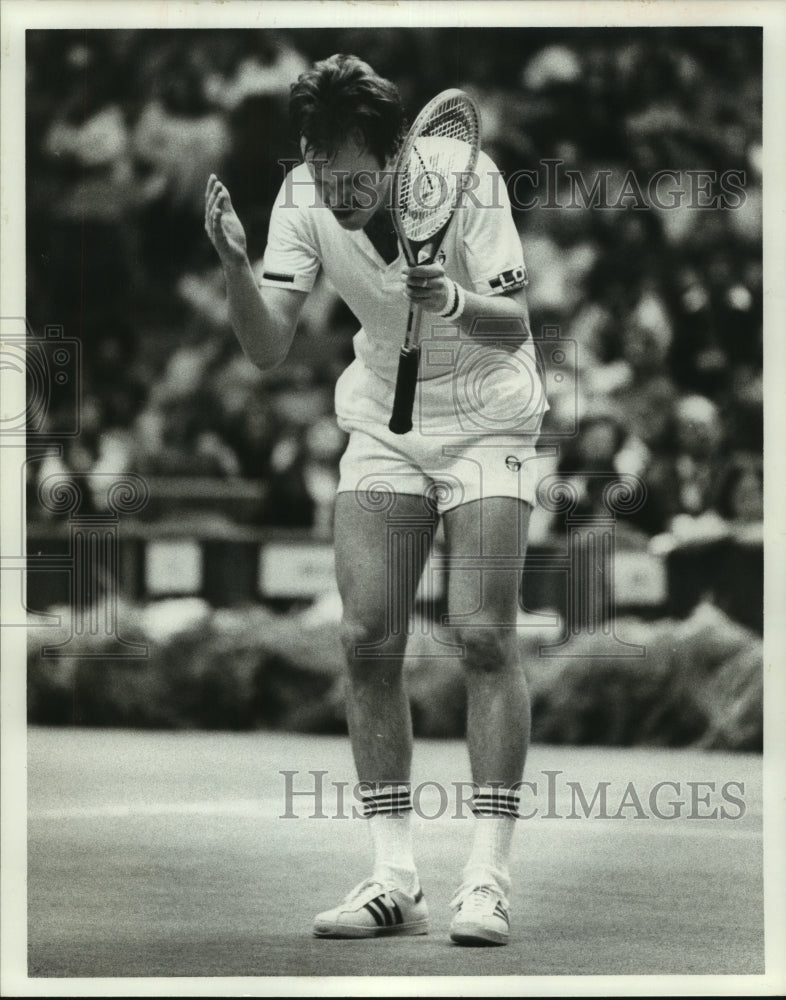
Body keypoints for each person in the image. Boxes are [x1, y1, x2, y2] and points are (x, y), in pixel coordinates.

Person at [204, 53, 547, 947]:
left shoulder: (465, 181)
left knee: (482, 631)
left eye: (353, 174)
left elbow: (516, 327)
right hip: (385, 427)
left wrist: (458, 299)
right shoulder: (303, 198)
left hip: (487, 418)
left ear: (396, 153)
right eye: (320, 168)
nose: (337, 189)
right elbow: (269, 347)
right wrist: (237, 267)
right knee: (365, 639)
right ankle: (394, 875)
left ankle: (488, 878)